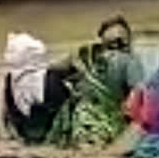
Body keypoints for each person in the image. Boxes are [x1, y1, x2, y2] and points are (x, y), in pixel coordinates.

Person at [47, 15, 145, 148]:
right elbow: (136, 98)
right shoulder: (131, 61)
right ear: (128, 39)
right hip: (106, 127)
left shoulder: (84, 54)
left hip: (76, 122)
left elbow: (51, 69)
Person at [2, 32, 74, 144]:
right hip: (51, 133)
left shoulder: (11, 79)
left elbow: (9, 113)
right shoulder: (49, 78)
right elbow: (65, 105)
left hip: (24, 133)